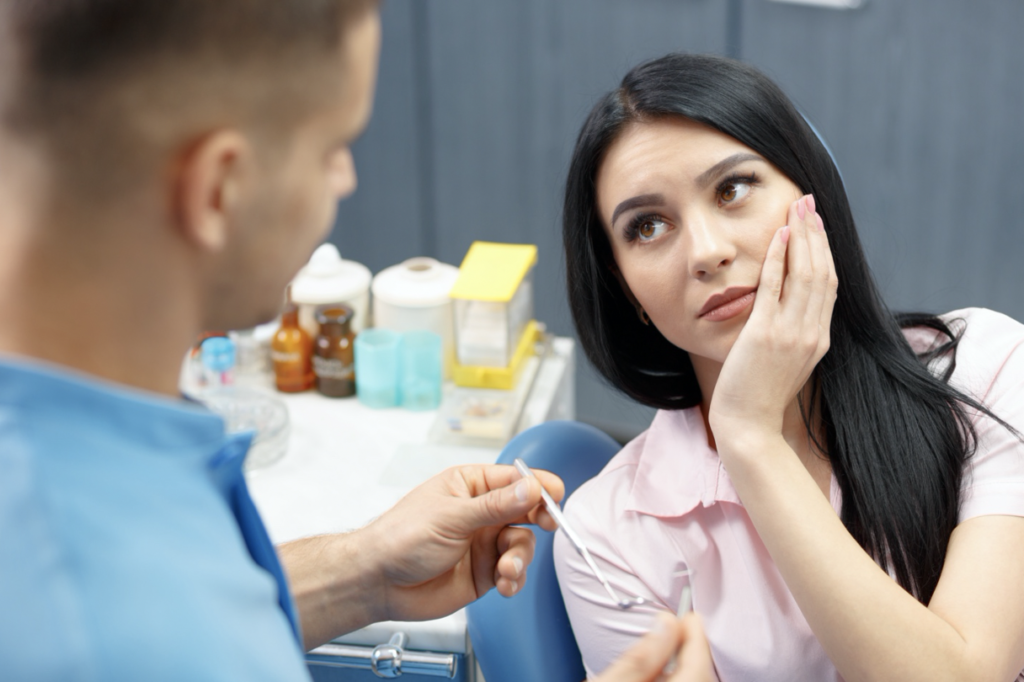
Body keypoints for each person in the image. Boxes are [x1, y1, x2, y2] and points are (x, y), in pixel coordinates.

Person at [0, 1, 714, 680]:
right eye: (333, 146)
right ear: (220, 189)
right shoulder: (83, 623)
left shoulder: (100, 458)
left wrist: (362, 571)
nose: (345, 179)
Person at [556, 52, 1024, 682]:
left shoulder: (984, 368)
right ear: (625, 290)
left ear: (812, 194)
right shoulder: (607, 539)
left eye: (733, 188)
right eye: (647, 226)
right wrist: (749, 434)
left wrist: (750, 435)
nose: (707, 252)